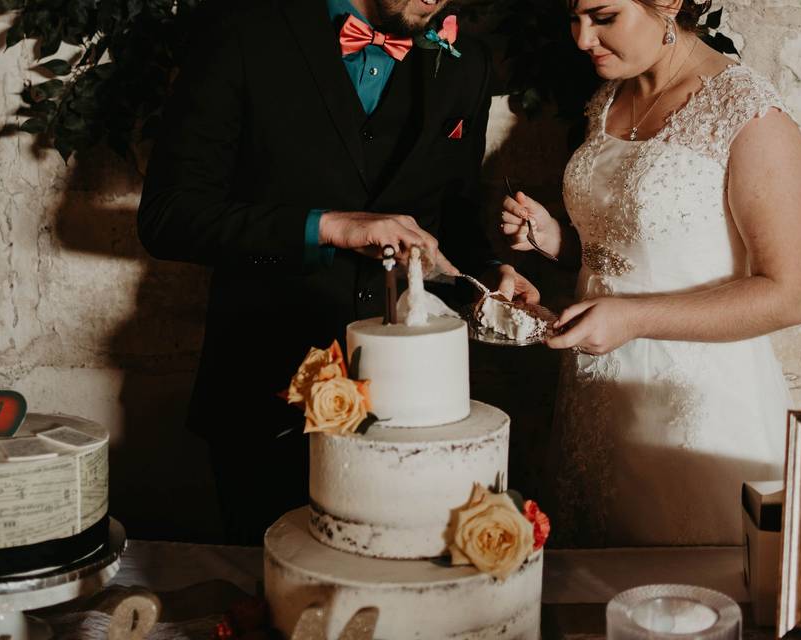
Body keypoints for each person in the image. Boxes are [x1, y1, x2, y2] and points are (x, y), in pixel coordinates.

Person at [138, 0, 538, 545]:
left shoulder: (466, 60)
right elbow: (168, 217)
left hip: (409, 417)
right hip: (264, 393)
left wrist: (490, 274)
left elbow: (455, 218)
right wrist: (327, 227)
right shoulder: (241, 28)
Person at [500, 0, 801, 545]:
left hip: (693, 407)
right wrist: (554, 241)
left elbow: (788, 295)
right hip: (596, 396)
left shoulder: (747, 113)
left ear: (668, 3)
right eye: (572, 19)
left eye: (602, 18)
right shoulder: (607, 97)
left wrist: (634, 318)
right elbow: (637, 248)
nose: (581, 39)